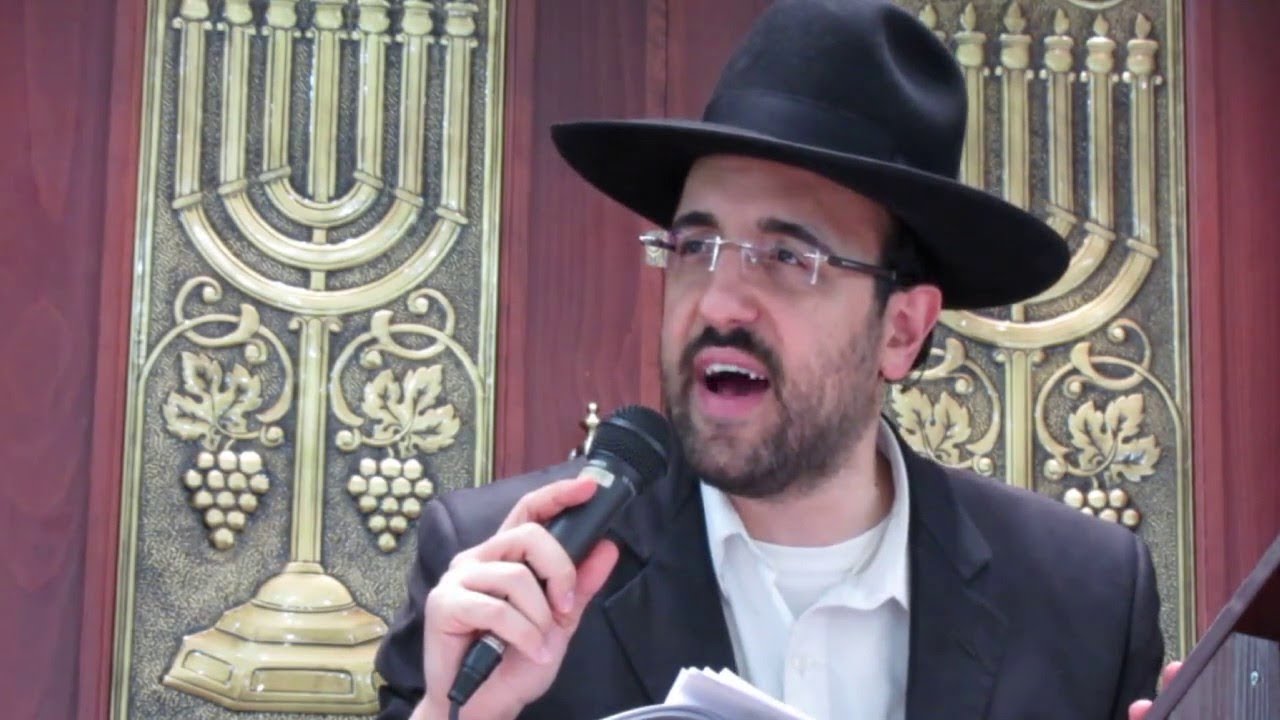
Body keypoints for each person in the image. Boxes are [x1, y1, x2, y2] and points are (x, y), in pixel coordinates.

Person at [375, 1, 1174, 718]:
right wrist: (457, 713)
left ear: (902, 330)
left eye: (790, 258)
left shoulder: (1084, 599)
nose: (718, 304)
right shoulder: (509, 576)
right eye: (696, 247)